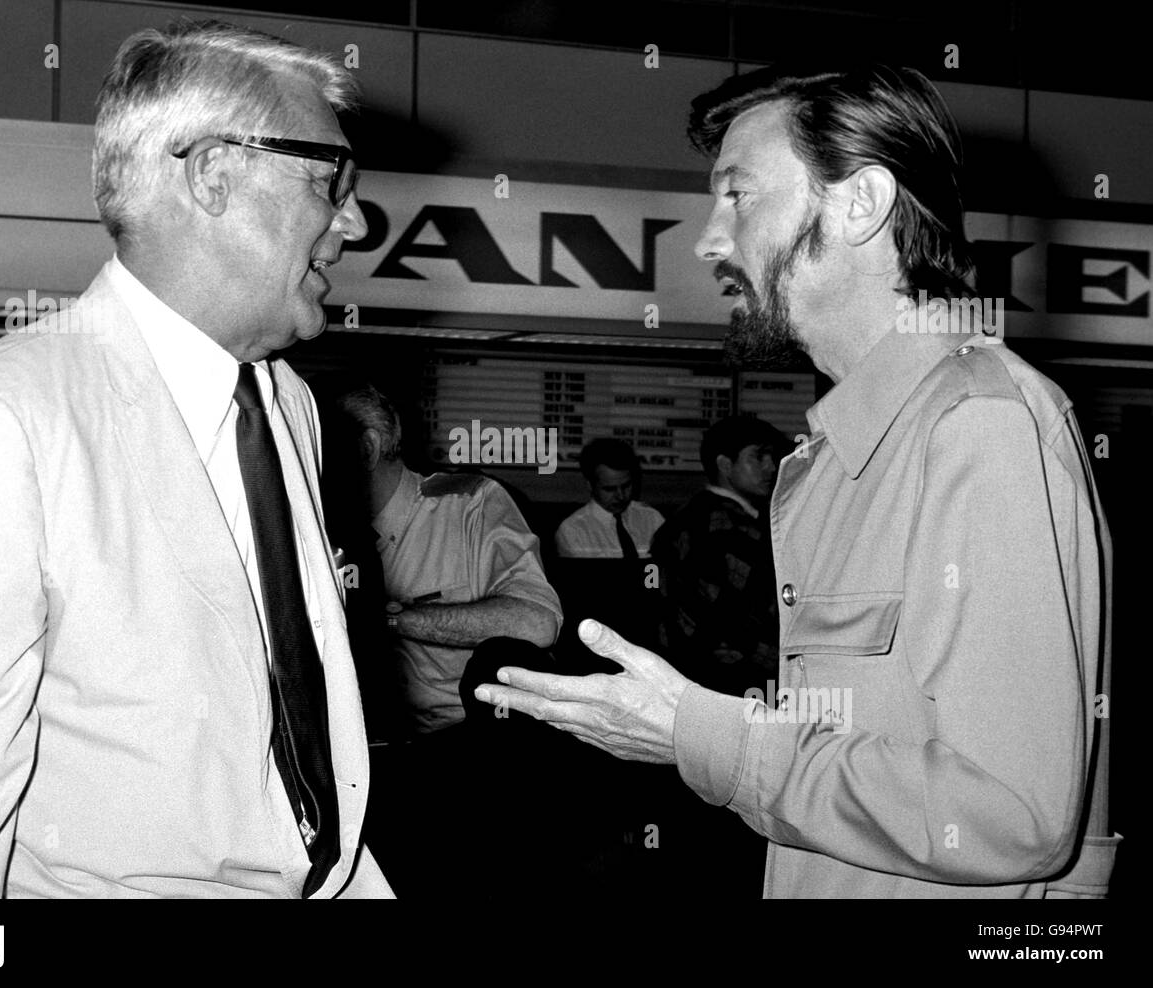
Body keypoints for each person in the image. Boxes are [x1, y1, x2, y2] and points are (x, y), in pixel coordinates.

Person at [477, 63, 1117, 898]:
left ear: (862, 203)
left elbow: (1009, 816)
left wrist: (701, 736)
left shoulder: (979, 426)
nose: (708, 239)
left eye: (738, 197)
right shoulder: (830, 456)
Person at [0, 20, 392, 898]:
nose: (356, 222)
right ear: (215, 174)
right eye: (330, 179)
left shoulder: (287, 403)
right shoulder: (3, 424)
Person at [334, 384, 562, 735]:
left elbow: (538, 623)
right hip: (372, 741)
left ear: (366, 449)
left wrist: (392, 621)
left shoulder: (470, 503)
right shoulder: (325, 532)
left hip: (475, 738)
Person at [652, 415, 786, 695]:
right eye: (758, 456)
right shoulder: (733, 528)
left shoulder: (683, 518)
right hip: (741, 682)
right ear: (725, 465)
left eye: (771, 456)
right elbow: (734, 620)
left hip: (686, 679)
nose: (771, 467)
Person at [555, 438, 664, 559]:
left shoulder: (652, 519)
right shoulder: (573, 530)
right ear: (590, 486)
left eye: (626, 486)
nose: (621, 496)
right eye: (610, 489)